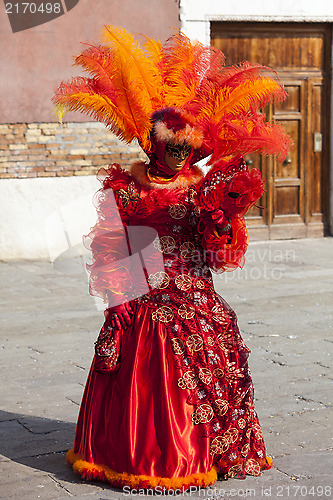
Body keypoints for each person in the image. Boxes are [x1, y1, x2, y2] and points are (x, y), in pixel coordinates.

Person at [53, 27, 292, 490]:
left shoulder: (203, 188)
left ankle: (209, 450)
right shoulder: (124, 189)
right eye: (171, 147)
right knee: (142, 365)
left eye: (186, 148)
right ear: (154, 144)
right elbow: (111, 247)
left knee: (216, 347)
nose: (179, 156)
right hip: (142, 296)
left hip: (195, 295)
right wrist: (120, 301)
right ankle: (143, 455)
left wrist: (225, 218)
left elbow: (221, 252)